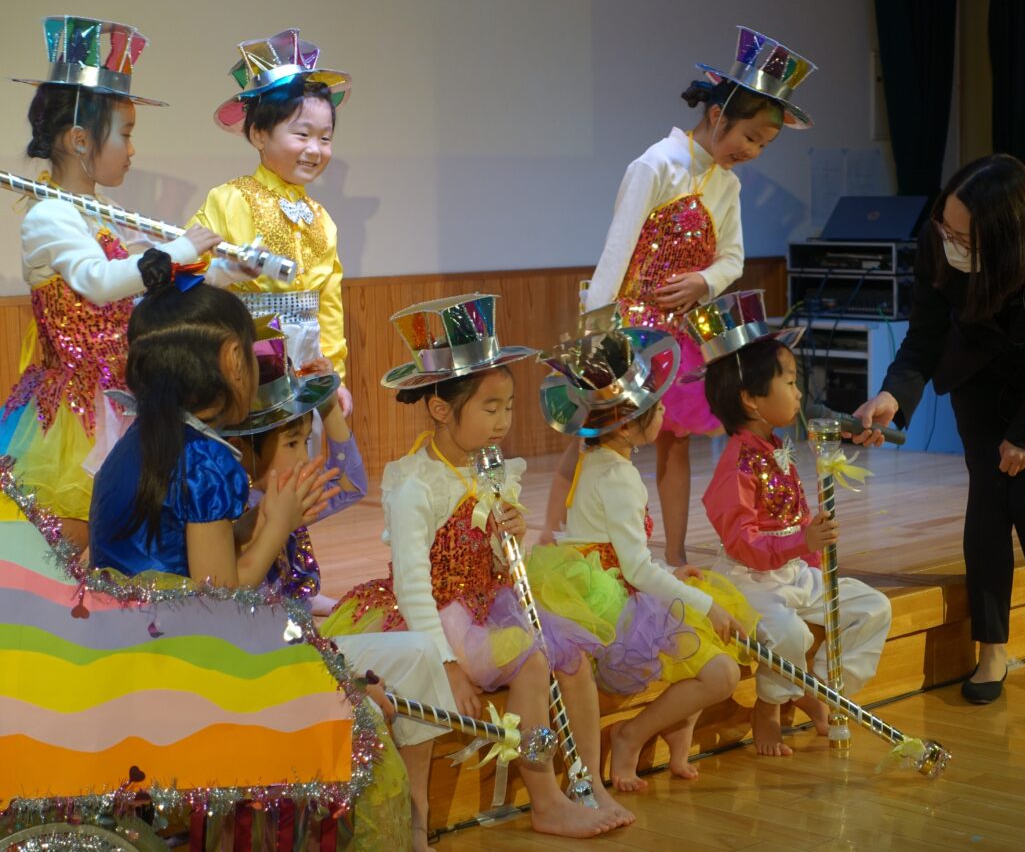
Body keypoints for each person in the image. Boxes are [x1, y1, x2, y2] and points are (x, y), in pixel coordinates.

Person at [325, 294, 627, 837]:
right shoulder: (416, 483)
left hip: (489, 599)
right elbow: (414, 586)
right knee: (532, 662)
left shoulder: (493, 469)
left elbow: (499, 566)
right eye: (490, 409)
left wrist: (510, 536)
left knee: (572, 659)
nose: (503, 422)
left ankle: (589, 782)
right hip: (434, 615)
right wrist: (445, 663)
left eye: (508, 407)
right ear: (442, 410)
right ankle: (546, 800)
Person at [539, 27, 818, 567]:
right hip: (629, 326)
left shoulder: (728, 184)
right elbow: (617, 249)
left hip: (680, 331)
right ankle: (556, 536)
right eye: (750, 137)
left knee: (676, 441)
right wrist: (596, 333)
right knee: (595, 434)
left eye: (763, 145)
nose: (752, 152)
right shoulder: (657, 164)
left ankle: (673, 553)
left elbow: (733, 258)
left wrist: (703, 282)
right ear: (717, 115)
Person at [851, 153, 1025, 703]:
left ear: (1006, 234)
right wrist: (894, 395)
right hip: (978, 376)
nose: (949, 239)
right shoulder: (937, 237)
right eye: (945, 226)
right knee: (989, 498)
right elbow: (924, 335)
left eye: (963, 235)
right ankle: (992, 648)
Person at [0, 16, 222, 546]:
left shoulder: (99, 210)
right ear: (80, 140)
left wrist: (220, 265)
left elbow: (140, 274)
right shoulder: (48, 216)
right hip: (76, 414)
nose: (132, 149)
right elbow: (97, 282)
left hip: (123, 397)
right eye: (125, 134)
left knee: (122, 534)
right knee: (76, 538)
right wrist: (176, 251)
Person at [222, 330, 448, 850]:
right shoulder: (234, 510)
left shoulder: (291, 493)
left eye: (307, 441)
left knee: (420, 653)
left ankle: (417, 816)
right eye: (293, 444)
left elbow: (351, 483)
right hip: (271, 667)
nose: (307, 456)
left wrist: (328, 404)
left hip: (307, 648)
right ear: (245, 449)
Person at [526, 326, 756, 791]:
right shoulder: (619, 477)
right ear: (627, 426)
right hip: (610, 597)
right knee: (721, 667)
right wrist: (704, 603)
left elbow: (620, 553)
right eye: (656, 407)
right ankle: (632, 734)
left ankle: (668, 731)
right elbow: (632, 568)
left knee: (714, 654)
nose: (666, 412)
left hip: (610, 580)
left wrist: (672, 573)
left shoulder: (595, 460)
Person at [694, 289, 892, 755]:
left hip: (795, 574)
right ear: (751, 399)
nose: (800, 392)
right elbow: (743, 544)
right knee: (790, 634)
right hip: (752, 581)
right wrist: (802, 540)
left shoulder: (777, 449)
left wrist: (812, 549)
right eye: (789, 381)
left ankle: (818, 691)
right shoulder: (736, 466)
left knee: (873, 608)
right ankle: (769, 706)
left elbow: (797, 517)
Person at [88, 248, 337, 587]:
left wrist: (265, 516)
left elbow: (184, 544)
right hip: (168, 621)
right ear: (234, 360)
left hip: (115, 616)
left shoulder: (144, 436)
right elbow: (220, 596)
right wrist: (279, 527)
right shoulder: (205, 460)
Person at [191, 28, 353, 414]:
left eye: (325, 138)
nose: (315, 149)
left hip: (310, 367)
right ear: (259, 134)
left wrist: (337, 375)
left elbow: (329, 305)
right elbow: (188, 271)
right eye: (302, 134)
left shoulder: (322, 219)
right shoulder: (228, 199)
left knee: (303, 445)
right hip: (244, 362)